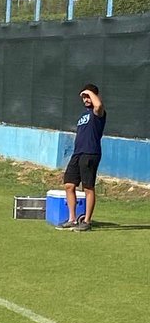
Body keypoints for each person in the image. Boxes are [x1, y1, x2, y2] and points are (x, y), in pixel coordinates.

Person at [59, 86, 106, 231]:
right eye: (84, 97)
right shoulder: (83, 115)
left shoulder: (98, 113)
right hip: (77, 153)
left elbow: (98, 105)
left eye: (88, 97)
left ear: (94, 96)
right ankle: (72, 219)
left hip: (90, 153)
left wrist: (90, 92)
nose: (86, 99)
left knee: (88, 187)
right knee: (69, 185)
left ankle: (86, 221)